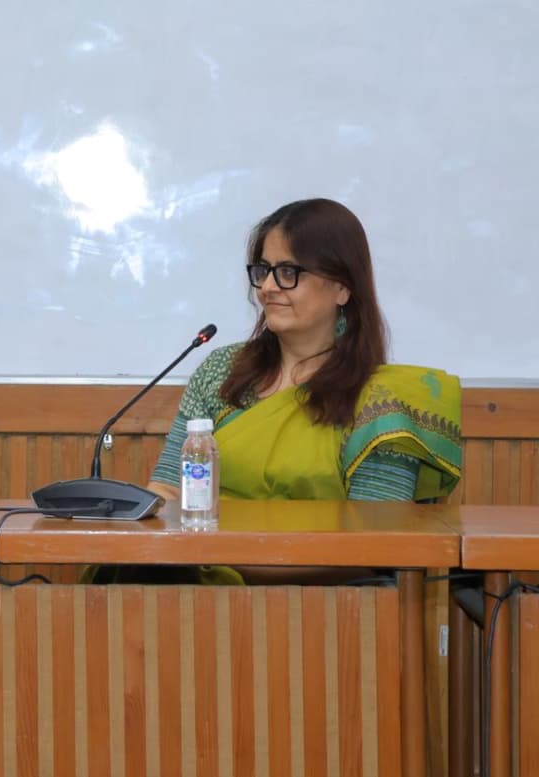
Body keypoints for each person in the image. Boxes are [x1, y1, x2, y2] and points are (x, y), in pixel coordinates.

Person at [106, 198, 462, 585]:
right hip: (195, 577)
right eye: (263, 270)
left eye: (289, 272)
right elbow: (168, 490)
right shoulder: (221, 371)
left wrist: (231, 559)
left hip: (319, 599)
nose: (268, 287)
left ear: (342, 287)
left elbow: (373, 545)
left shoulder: (382, 401)